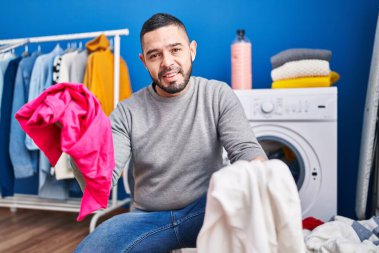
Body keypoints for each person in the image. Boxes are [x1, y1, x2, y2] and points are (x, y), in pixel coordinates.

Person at [74, 13, 267, 253]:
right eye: (155, 55)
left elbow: (245, 150)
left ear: (191, 50)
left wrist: (264, 174)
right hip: (147, 219)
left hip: (206, 210)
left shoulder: (217, 95)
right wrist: (76, 144)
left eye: (175, 50)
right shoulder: (127, 111)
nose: (167, 62)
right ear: (144, 61)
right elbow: (101, 182)